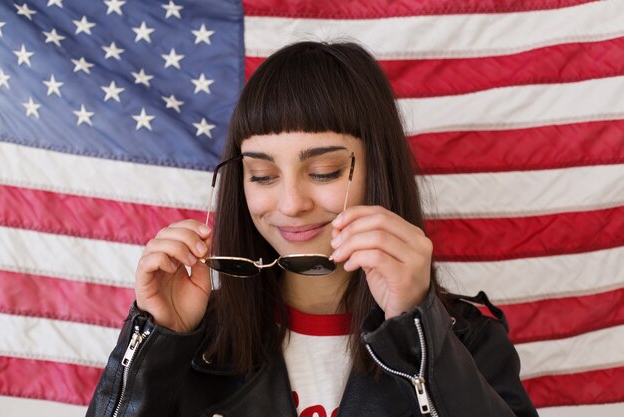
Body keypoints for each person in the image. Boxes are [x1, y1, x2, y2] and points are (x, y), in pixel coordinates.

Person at [87, 41, 538, 417]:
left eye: (323, 171)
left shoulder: (467, 340)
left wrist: (416, 329)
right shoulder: (197, 341)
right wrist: (157, 339)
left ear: (377, 171)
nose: (290, 205)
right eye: (262, 176)